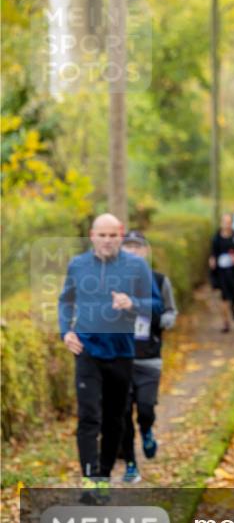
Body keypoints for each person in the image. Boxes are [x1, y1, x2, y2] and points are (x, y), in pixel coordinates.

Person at [58, 214, 161, 503]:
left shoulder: (137, 266)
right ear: (92, 236)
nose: (106, 241)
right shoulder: (78, 265)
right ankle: (91, 480)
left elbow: (156, 304)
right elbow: (65, 300)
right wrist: (66, 331)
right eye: (101, 235)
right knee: (89, 416)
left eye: (112, 236)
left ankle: (103, 477)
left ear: (121, 235)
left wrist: (133, 303)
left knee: (115, 418)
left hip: (122, 352)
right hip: (87, 349)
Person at [118, 231, 178, 483]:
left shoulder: (159, 280)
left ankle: (148, 430)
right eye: (128, 247)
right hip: (120, 358)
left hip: (149, 357)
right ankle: (131, 464)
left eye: (138, 247)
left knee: (145, 408)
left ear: (146, 251)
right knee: (122, 414)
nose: (133, 252)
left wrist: (163, 321)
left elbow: (170, 311)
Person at [209, 214, 234, 334]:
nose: (227, 224)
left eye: (229, 222)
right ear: (222, 223)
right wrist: (212, 260)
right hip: (222, 272)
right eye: (225, 222)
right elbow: (213, 253)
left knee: (233, 296)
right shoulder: (216, 238)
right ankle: (225, 322)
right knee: (224, 297)